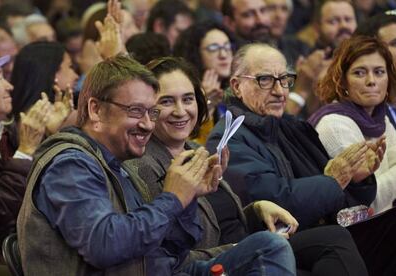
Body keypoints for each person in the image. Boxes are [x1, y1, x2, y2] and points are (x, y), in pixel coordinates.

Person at [16, 54, 296, 275]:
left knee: (268, 246)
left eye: (151, 112)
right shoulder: (71, 164)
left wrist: (190, 195)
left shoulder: (113, 162)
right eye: (135, 111)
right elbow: (104, 245)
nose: (148, 125)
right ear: (95, 109)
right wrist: (173, 198)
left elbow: (175, 248)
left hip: (165, 269)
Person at [126, 56, 368, 276]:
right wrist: (237, 248)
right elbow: (169, 250)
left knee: (342, 239)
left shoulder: (195, 150)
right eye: (167, 101)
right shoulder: (141, 166)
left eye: (188, 99)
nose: (181, 111)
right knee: (333, 243)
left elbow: (222, 218)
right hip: (215, 262)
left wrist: (254, 211)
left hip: (251, 245)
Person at [206, 42, 396, 276]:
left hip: (323, 230)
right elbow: (273, 200)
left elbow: (338, 198)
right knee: (333, 240)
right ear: (237, 86)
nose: (279, 91)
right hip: (269, 242)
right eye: (265, 80)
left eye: (284, 79)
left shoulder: (292, 127)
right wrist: (333, 180)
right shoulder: (228, 139)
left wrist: (356, 180)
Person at [309, 36, 396, 214]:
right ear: (342, 81)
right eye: (359, 73)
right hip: (358, 230)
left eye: (379, 72)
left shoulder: (381, 117)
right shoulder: (334, 125)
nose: (371, 81)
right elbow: (369, 204)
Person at [0, 48, 50, 267]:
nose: (9, 86)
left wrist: (53, 131)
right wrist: (25, 151)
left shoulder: (6, 133)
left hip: (19, 243)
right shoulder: (17, 140)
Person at [173, 21, 236, 143]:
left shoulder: (236, 90)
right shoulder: (185, 91)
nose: (223, 55)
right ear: (196, 53)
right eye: (213, 48)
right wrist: (205, 106)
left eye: (227, 47)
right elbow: (191, 146)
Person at [10, 41, 77, 134]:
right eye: (70, 67)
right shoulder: (65, 117)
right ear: (52, 73)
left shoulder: (18, 120)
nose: (76, 76)